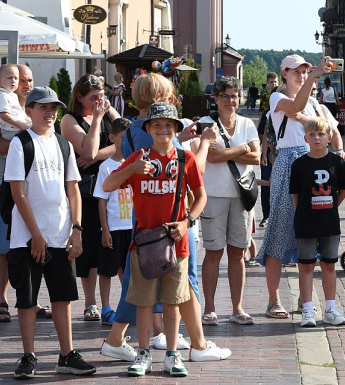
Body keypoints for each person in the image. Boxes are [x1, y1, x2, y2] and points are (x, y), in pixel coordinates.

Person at [99, 73, 229, 367]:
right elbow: (190, 171)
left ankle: (136, 341)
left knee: (151, 288)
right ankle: (193, 344)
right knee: (171, 286)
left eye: (167, 126)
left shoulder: (132, 129)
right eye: (170, 95)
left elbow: (194, 185)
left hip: (157, 221)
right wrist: (203, 142)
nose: (163, 130)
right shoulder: (150, 141)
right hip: (161, 223)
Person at [5, 87, 96, 379]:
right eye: (42, 107)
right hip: (28, 237)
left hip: (60, 233)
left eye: (53, 108)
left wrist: (77, 229)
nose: (49, 113)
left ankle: (66, 354)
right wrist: (36, 235)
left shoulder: (63, 143)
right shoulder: (20, 144)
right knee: (27, 298)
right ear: (29, 111)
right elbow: (18, 194)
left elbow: (74, 189)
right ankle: (29, 355)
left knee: (63, 296)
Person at [256, 55, 337, 319]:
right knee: (279, 232)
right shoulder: (277, 98)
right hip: (289, 161)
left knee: (310, 233)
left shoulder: (314, 102)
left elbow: (330, 131)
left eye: (305, 71)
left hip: (313, 162)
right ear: (284, 74)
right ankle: (273, 300)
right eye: (297, 72)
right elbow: (297, 104)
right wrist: (314, 78)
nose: (301, 75)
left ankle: (306, 301)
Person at [61, 74, 122, 323]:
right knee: (88, 247)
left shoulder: (109, 113)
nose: (100, 101)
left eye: (102, 96)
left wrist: (98, 156)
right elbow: (86, 149)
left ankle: (111, 301)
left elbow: (126, 140)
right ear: (79, 97)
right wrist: (96, 120)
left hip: (110, 188)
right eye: (93, 98)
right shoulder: (69, 119)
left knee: (109, 245)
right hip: (85, 189)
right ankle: (90, 302)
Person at [200, 77, 260, 326]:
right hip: (214, 194)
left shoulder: (247, 124)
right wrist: (242, 149)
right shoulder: (207, 124)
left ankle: (237, 308)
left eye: (234, 96)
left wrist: (233, 152)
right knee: (213, 253)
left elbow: (257, 157)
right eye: (225, 96)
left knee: (238, 253)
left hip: (241, 194)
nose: (230, 101)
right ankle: (210, 308)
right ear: (215, 97)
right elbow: (211, 158)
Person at [0, 64, 35, 323]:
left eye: (28, 80)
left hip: (34, 186)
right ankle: (1, 300)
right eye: (19, 79)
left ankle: (30, 300)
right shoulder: (1, 105)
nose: (24, 84)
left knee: (33, 244)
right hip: (5, 183)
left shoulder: (38, 110)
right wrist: (26, 146)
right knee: (4, 246)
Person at [291, 116, 345, 327]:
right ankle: (307, 309)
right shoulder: (299, 164)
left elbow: (343, 191)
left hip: (329, 221)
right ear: (305, 138)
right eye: (312, 135)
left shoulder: (336, 162)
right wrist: (304, 213)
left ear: (329, 137)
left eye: (321, 134)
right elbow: (296, 195)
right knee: (305, 265)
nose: (317, 138)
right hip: (306, 221)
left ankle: (331, 308)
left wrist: (331, 207)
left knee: (329, 264)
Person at [92, 118, 134, 327]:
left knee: (129, 271)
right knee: (107, 268)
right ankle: (106, 307)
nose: (126, 142)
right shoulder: (106, 167)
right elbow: (101, 199)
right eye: (122, 138)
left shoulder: (136, 163)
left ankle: (129, 306)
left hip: (133, 227)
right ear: (112, 138)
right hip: (114, 226)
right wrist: (104, 229)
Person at [257, 72, 279, 227]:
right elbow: (263, 134)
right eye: (271, 82)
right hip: (270, 152)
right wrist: (264, 153)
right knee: (266, 183)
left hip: (283, 154)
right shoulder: (266, 113)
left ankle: (279, 217)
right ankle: (266, 215)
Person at [0, 64, 31, 135]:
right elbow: (4, 115)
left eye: (16, 78)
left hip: (17, 128)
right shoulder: (3, 96)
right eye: (9, 78)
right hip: (11, 131)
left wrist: (30, 121)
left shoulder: (10, 95)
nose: (13, 81)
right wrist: (21, 124)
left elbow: (18, 114)